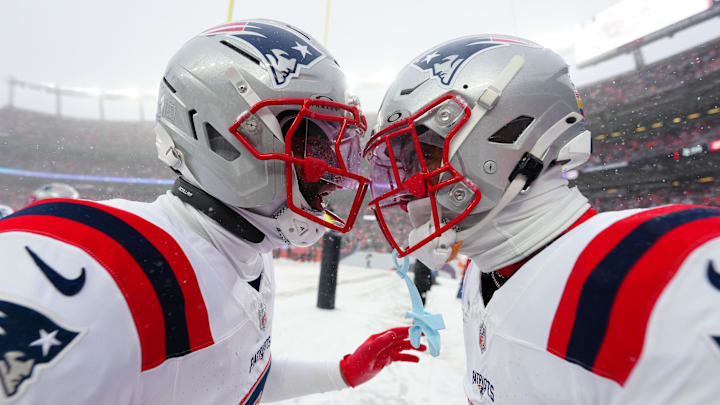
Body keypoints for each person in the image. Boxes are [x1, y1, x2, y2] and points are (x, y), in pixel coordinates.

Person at [0, 20, 424, 404]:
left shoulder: (250, 253)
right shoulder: (112, 271)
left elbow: (233, 380)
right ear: (220, 134)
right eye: (312, 140)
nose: (332, 170)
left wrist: (342, 373)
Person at [363, 34, 720, 404]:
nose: (408, 184)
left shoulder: (670, 269)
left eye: (425, 153)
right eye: (403, 162)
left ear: (508, 132)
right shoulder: (481, 274)